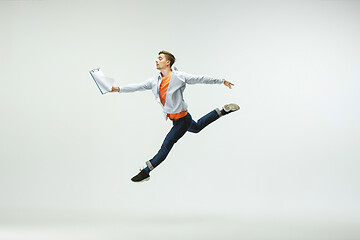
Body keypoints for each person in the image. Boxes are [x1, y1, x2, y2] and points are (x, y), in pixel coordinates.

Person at [110, 51, 239, 182]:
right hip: (177, 120)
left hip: (182, 121)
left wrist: (222, 81)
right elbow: (137, 86)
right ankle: (222, 111)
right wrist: (117, 88)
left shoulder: (179, 77)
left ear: (168, 62)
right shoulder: (154, 81)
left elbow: (201, 78)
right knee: (197, 127)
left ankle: (146, 172)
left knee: (166, 145)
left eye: (160, 58)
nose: (156, 60)